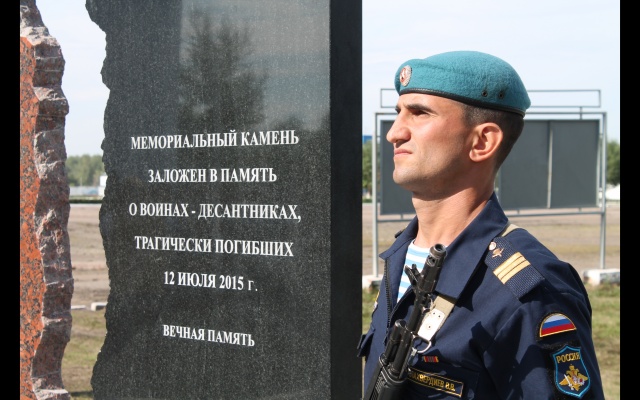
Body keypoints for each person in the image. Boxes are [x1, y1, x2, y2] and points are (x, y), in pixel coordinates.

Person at [357, 50, 605, 399]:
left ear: (482, 141)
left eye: (420, 113)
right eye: (399, 113)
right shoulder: (401, 257)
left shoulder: (530, 291)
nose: (394, 133)